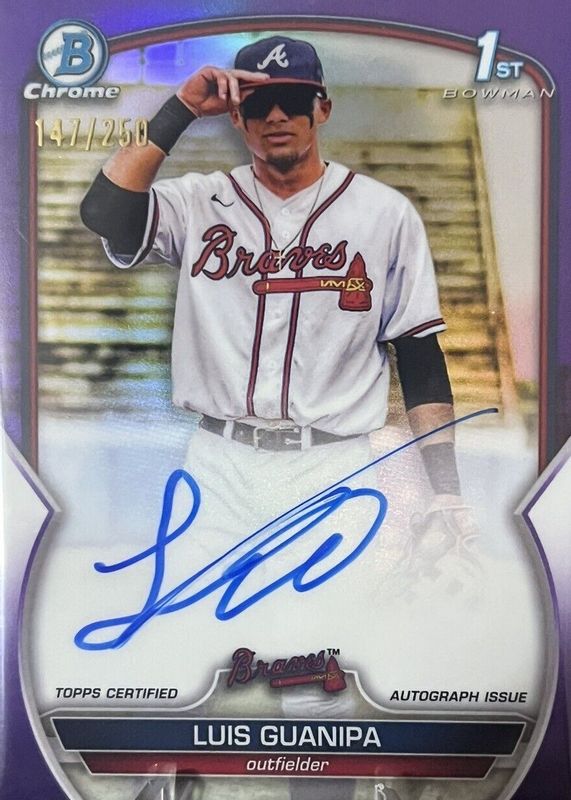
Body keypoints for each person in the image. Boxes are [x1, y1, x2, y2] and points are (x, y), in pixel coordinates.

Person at [80, 34, 476, 800]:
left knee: (310, 662)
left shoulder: (384, 214)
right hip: (219, 461)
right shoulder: (199, 201)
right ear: (238, 118)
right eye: (259, 104)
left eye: (293, 101)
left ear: (321, 108)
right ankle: (172, 780)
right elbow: (105, 210)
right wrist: (180, 108)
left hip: (330, 465)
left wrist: (446, 490)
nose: (276, 118)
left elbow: (421, 359)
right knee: (176, 639)